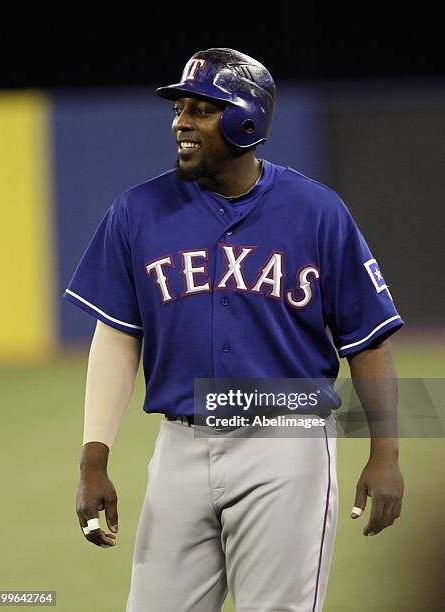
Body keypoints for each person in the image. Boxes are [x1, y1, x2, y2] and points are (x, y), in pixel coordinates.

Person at [64, 48, 405, 612]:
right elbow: (118, 337)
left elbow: (368, 340)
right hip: (179, 447)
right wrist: (93, 458)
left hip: (287, 445)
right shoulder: (137, 212)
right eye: (180, 108)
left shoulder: (317, 212)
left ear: (247, 120)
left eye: (201, 109)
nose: (181, 121)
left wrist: (386, 454)